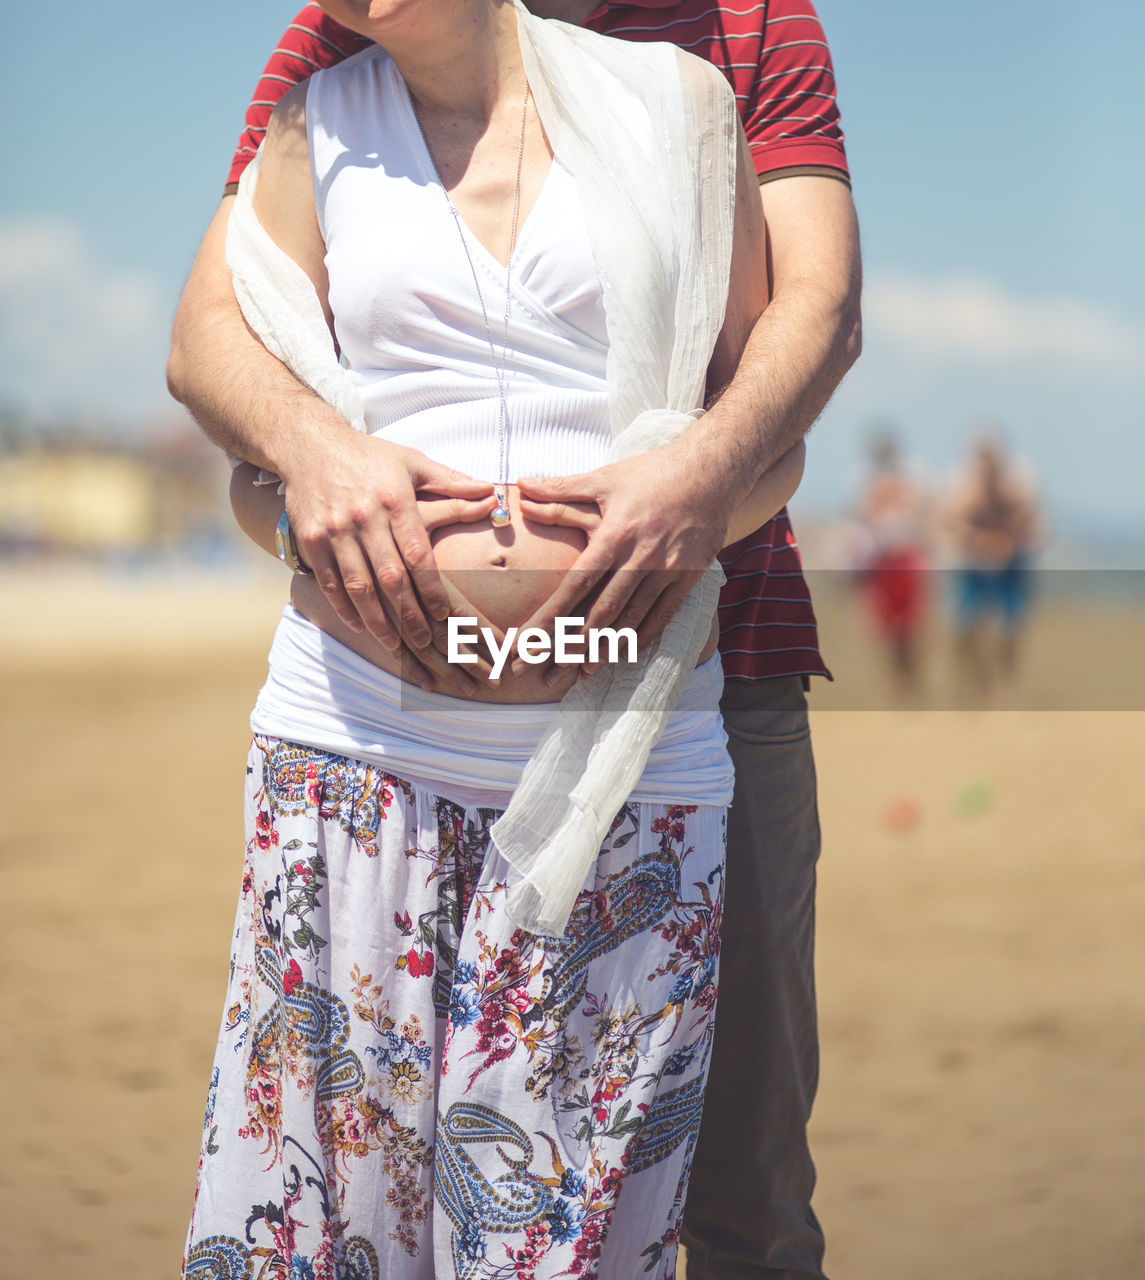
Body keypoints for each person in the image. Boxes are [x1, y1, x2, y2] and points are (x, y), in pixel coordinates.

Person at [167, 4, 861, 1276]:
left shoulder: (740, 35)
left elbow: (811, 312)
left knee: (728, 1184)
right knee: (340, 1203)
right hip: (366, 732)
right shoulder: (339, 52)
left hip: (690, 691)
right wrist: (311, 476)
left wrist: (699, 482)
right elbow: (227, 330)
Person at [947, 428, 1042, 700]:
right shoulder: (961, 481)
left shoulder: (1021, 477)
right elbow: (954, 521)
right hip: (974, 562)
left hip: (1013, 560)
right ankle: (977, 685)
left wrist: (1004, 541)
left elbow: (1028, 518)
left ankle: (1005, 685)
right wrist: (981, 541)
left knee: (1010, 628)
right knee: (965, 627)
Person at [854, 430, 932, 698]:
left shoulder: (911, 476)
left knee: (910, 628)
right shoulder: (868, 480)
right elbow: (865, 518)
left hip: (906, 558)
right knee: (886, 629)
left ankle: (911, 682)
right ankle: (898, 685)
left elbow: (921, 518)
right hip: (883, 561)